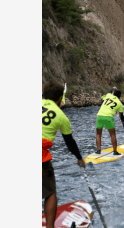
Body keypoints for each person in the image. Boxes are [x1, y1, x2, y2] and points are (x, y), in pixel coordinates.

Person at [42, 82, 86, 228]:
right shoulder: (61, 117)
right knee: (50, 193)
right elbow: (70, 142)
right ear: (60, 98)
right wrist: (79, 158)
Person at [96, 88, 124, 155]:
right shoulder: (120, 104)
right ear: (120, 96)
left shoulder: (108, 96)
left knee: (98, 134)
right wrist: (122, 121)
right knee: (113, 135)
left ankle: (98, 150)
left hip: (99, 116)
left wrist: (113, 88)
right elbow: (121, 115)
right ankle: (115, 151)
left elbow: (109, 91)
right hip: (108, 118)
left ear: (113, 93)